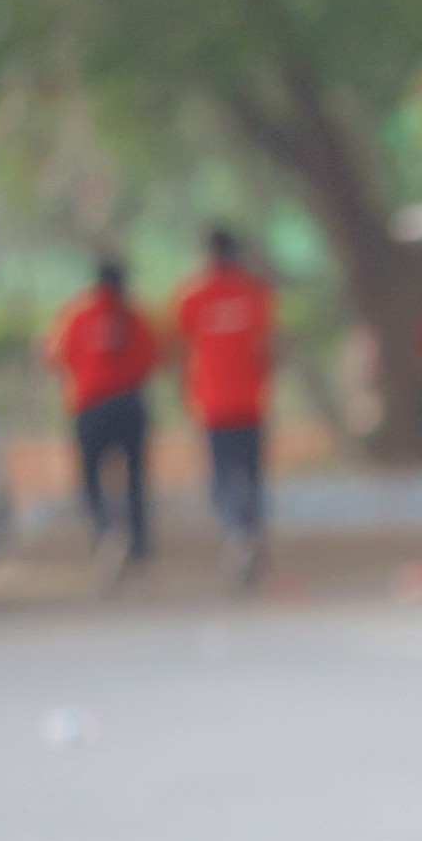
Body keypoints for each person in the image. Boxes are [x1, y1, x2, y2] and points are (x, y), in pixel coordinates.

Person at [171, 227, 276, 590]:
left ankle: (235, 532)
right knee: (251, 474)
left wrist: (185, 392)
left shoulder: (192, 294)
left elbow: (180, 348)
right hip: (250, 400)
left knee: (222, 476)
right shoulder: (254, 291)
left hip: (213, 403)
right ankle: (251, 531)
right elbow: (269, 345)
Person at [43, 258, 157, 584]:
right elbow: (150, 357)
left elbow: (57, 355)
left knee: (90, 479)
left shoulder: (77, 314)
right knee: (135, 479)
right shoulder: (135, 316)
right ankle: (137, 547)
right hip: (129, 403)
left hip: (90, 407)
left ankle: (104, 532)